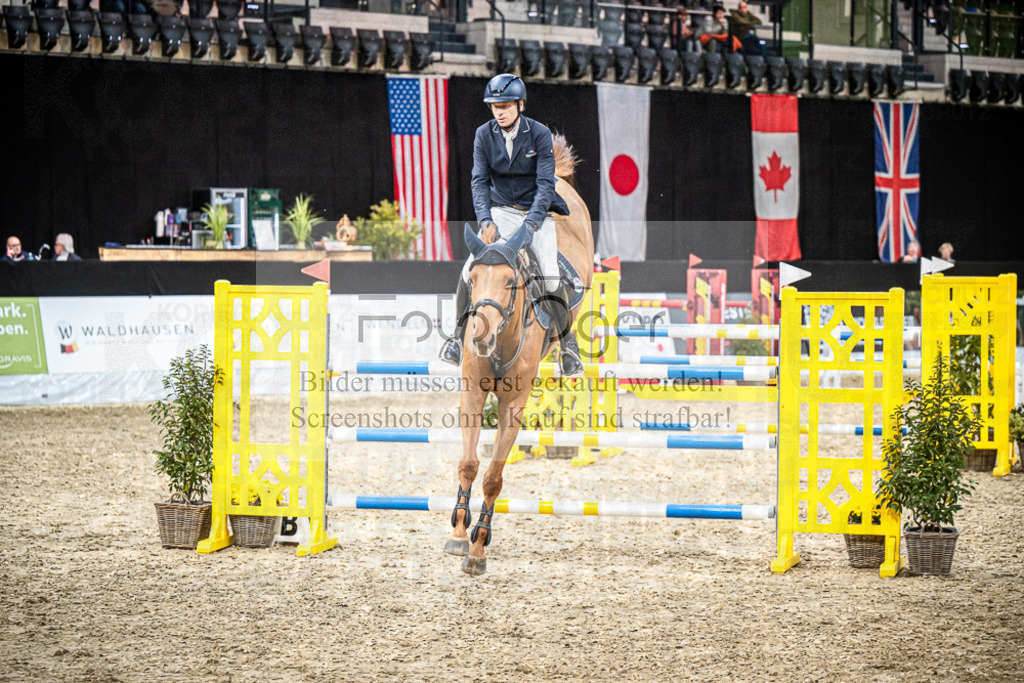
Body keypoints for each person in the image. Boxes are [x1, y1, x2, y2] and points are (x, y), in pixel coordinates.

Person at [438, 73, 583, 375]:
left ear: (520, 104)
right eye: (495, 106)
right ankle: (456, 338)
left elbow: (546, 185)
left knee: (551, 277)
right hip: (501, 212)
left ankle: (568, 346)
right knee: (468, 269)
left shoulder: (539, 134)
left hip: (537, 213)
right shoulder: (483, 134)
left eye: (505, 106)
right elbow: (479, 181)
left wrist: (531, 225)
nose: (500, 112)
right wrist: (486, 220)